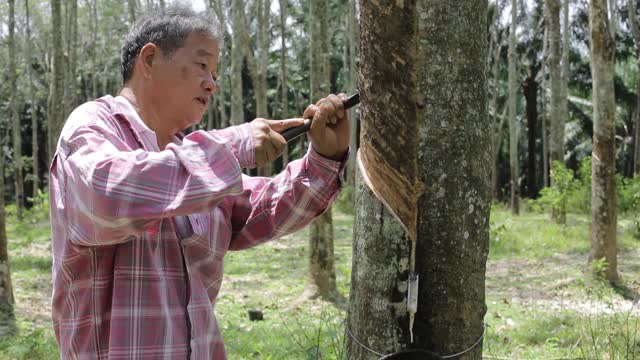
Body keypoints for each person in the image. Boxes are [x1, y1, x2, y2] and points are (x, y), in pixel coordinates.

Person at [49, 4, 349, 359]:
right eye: (202, 65)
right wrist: (233, 145)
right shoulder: (94, 125)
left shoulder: (195, 161)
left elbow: (262, 207)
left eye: (215, 71)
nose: (212, 82)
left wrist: (323, 159)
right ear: (149, 60)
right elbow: (105, 195)